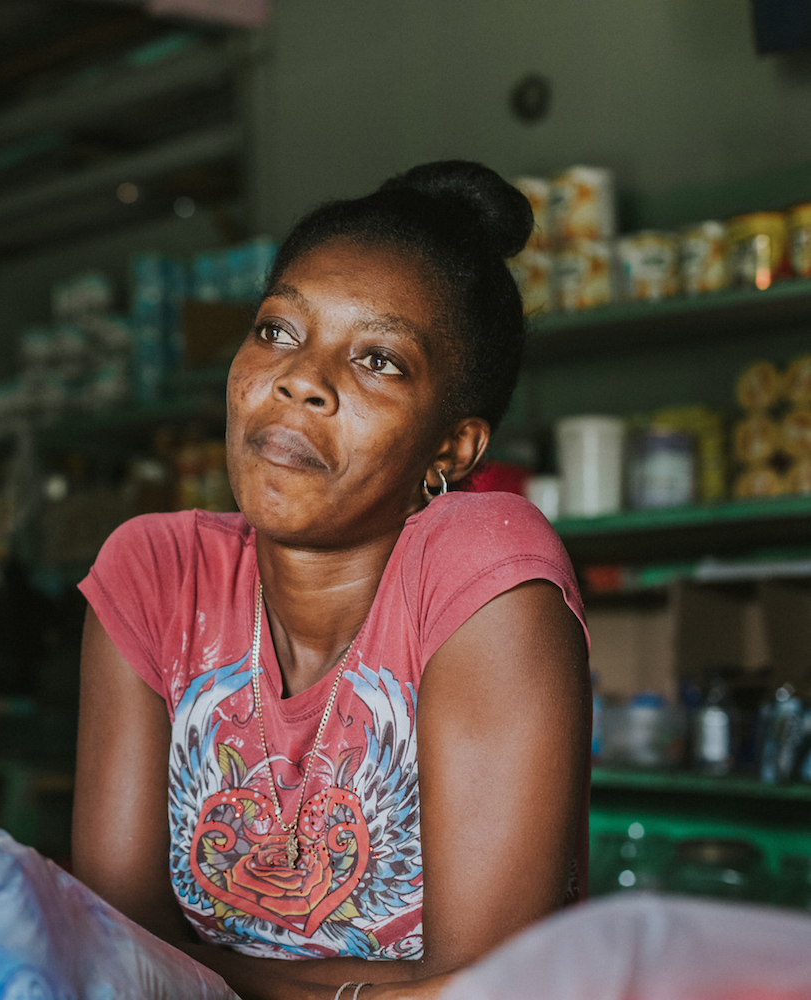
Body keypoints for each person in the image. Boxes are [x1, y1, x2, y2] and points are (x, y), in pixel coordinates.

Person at [73, 161, 592, 1000]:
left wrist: (209, 978)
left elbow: (490, 992)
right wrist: (368, 988)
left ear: (452, 451)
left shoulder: (480, 565)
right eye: (278, 330)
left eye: (379, 360)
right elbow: (106, 952)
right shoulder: (157, 574)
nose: (301, 381)